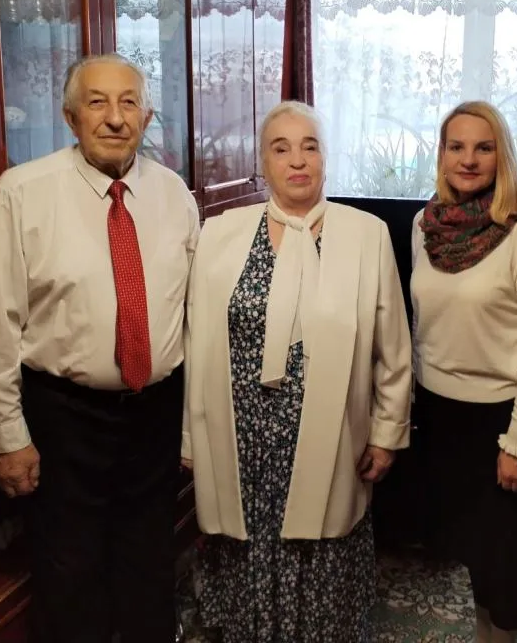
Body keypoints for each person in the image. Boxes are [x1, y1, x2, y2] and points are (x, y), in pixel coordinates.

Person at [0, 53, 199, 642]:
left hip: (155, 411)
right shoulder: (23, 193)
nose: (115, 118)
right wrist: (8, 436)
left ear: (146, 117)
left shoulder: (174, 194)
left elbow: (192, 320)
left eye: (129, 103)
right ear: (71, 117)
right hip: (64, 418)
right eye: (98, 102)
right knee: (69, 572)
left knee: (149, 562)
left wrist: (191, 429)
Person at [183, 100, 412, 642]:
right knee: (243, 546)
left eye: (310, 146)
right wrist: (191, 435)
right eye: (281, 148)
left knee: (323, 538)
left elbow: (393, 347)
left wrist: (387, 433)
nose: (297, 161)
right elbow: (197, 339)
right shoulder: (221, 233)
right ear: (263, 162)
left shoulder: (366, 235)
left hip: (330, 436)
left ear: (326, 158)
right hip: (241, 440)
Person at [410, 101, 517, 643]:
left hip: (501, 421)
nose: (469, 159)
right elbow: (422, 325)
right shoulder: (424, 225)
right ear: (442, 155)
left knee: (499, 559)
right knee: (470, 552)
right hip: (439, 416)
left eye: (484, 147)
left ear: (503, 156)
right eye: (456, 147)